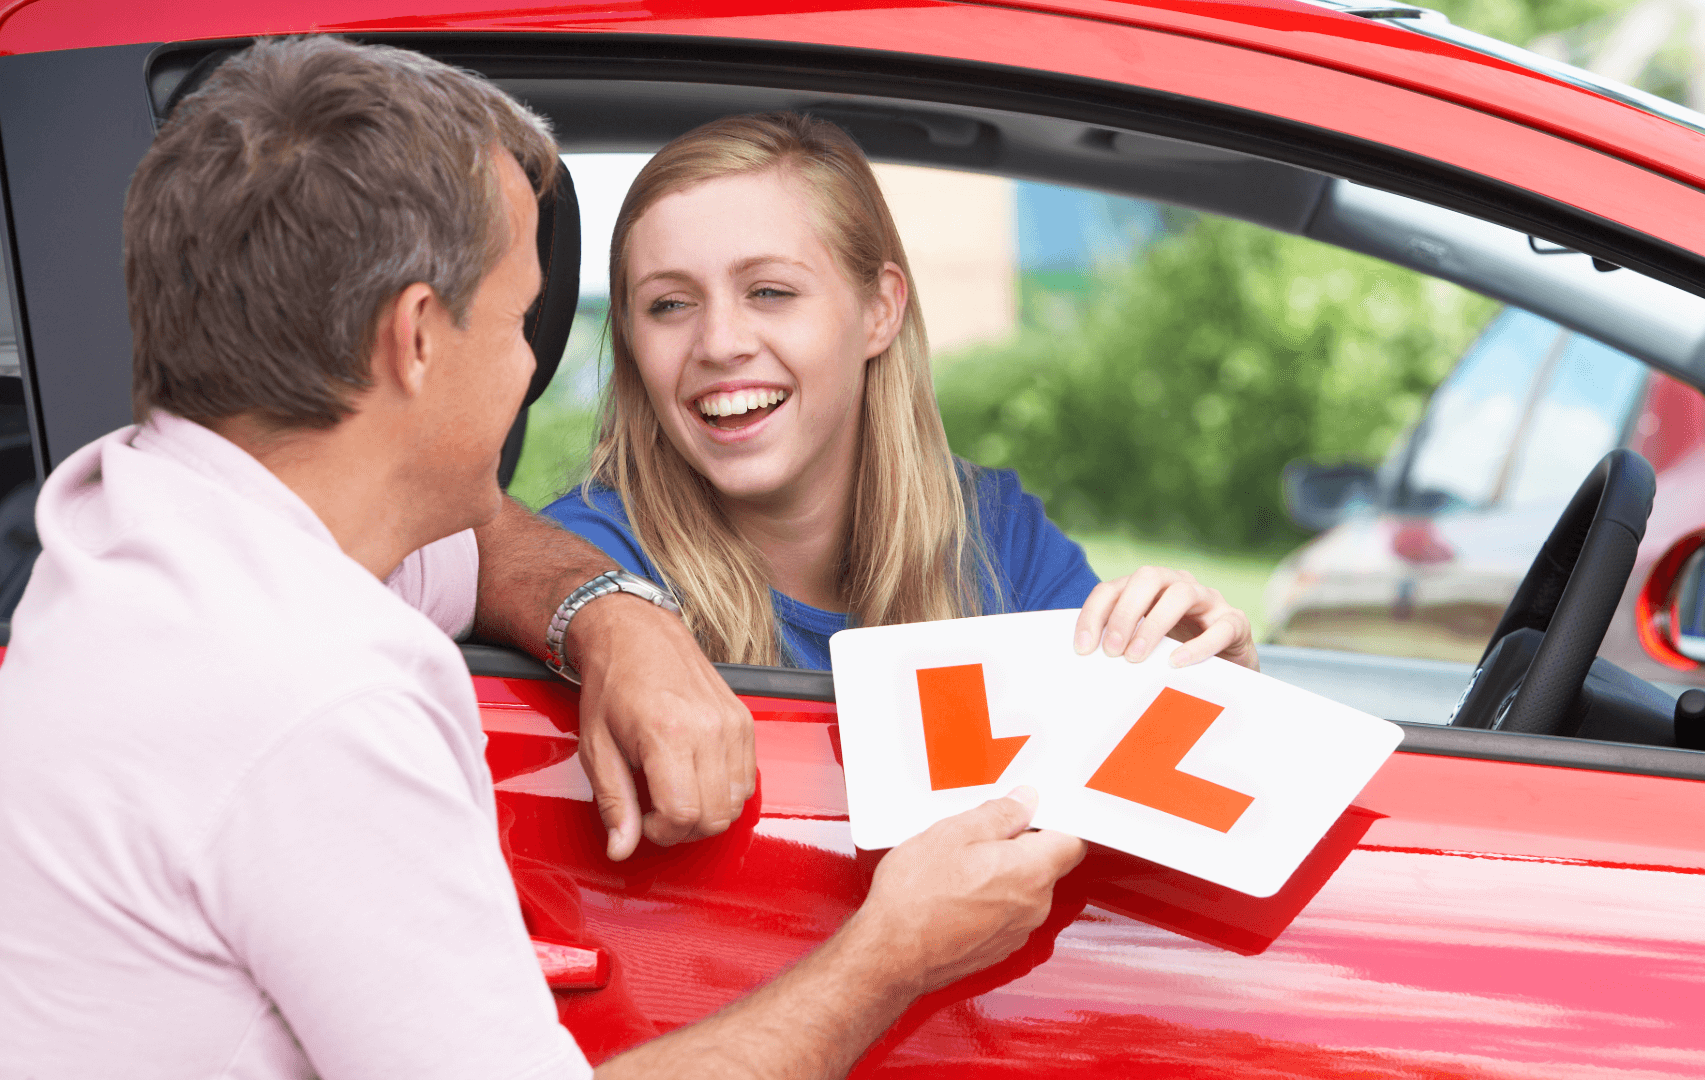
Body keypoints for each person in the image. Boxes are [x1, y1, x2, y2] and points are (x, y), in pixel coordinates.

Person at [0, 37, 1084, 1079]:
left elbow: (484, 544)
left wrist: (612, 614)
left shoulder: (152, 513)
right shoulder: (315, 700)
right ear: (416, 339)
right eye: (522, 318)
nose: (530, 367)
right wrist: (893, 954)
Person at [543, 113, 1258, 673]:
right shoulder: (587, 564)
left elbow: (1112, 788)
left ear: (879, 311)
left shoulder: (998, 539)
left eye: (769, 291)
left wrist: (1210, 691)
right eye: (669, 304)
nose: (720, 342)